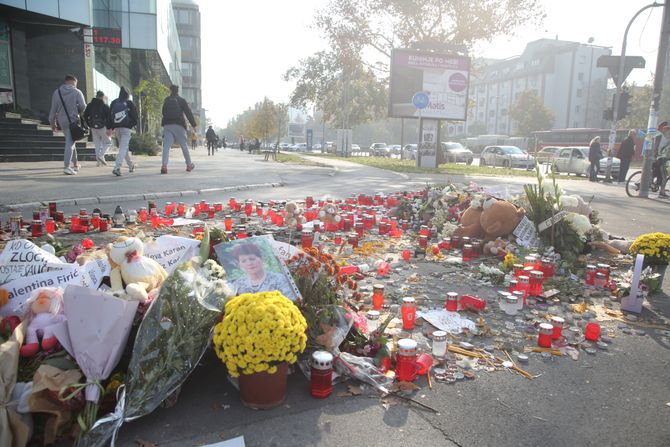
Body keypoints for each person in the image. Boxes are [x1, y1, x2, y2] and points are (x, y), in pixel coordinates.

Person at [48, 74, 86, 175]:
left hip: (62, 122)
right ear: (74, 82)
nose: (75, 86)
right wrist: (77, 110)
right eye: (75, 84)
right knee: (70, 143)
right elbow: (83, 106)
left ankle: (75, 164)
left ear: (65, 82)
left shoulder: (57, 92)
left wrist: (53, 124)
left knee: (71, 140)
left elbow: (52, 111)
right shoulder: (77, 92)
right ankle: (67, 166)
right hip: (72, 121)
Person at [231, 243, 295, 299]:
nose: (249, 263)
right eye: (243, 261)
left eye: (252, 259)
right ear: (240, 264)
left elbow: (291, 301)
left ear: (262, 258)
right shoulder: (238, 284)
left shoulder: (279, 279)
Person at [160, 84, 197, 174]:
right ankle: (189, 165)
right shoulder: (182, 100)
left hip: (167, 125)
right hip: (179, 125)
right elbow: (188, 112)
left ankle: (164, 166)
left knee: (166, 147)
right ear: (178, 91)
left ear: (170, 90)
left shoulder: (166, 100)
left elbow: (163, 112)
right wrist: (194, 125)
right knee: (184, 145)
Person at [108, 86, 138, 177]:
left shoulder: (114, 102)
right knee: (123, 148)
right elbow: (135, 117)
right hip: (126, 128)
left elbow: (110, 116)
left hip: (117, 128)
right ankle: (117, 167)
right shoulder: (129, 103)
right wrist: (130, 125)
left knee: (123, 147)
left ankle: (130, 165)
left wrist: (110, 128)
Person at [83, 90, 112, 167]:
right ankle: (101, 155)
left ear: (96, 96)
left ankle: (98, 162)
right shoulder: (105, 106)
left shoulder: (90, 105)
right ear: (102, 97)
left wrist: (89, 124)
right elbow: (109, 118)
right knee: (108, 142)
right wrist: (110, 128)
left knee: (97, 144)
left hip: (93, 127)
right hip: (103, 127)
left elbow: (85, 115)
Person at [654, 122, 670, 198]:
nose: (668, 131)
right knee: (664, 175)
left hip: (662, 158)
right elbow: (657, 147)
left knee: (658, 174)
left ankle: (656, 185)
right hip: (662, 158)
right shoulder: (660, 136)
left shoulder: (664, 137)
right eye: (667, 129)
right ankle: (662, 192)